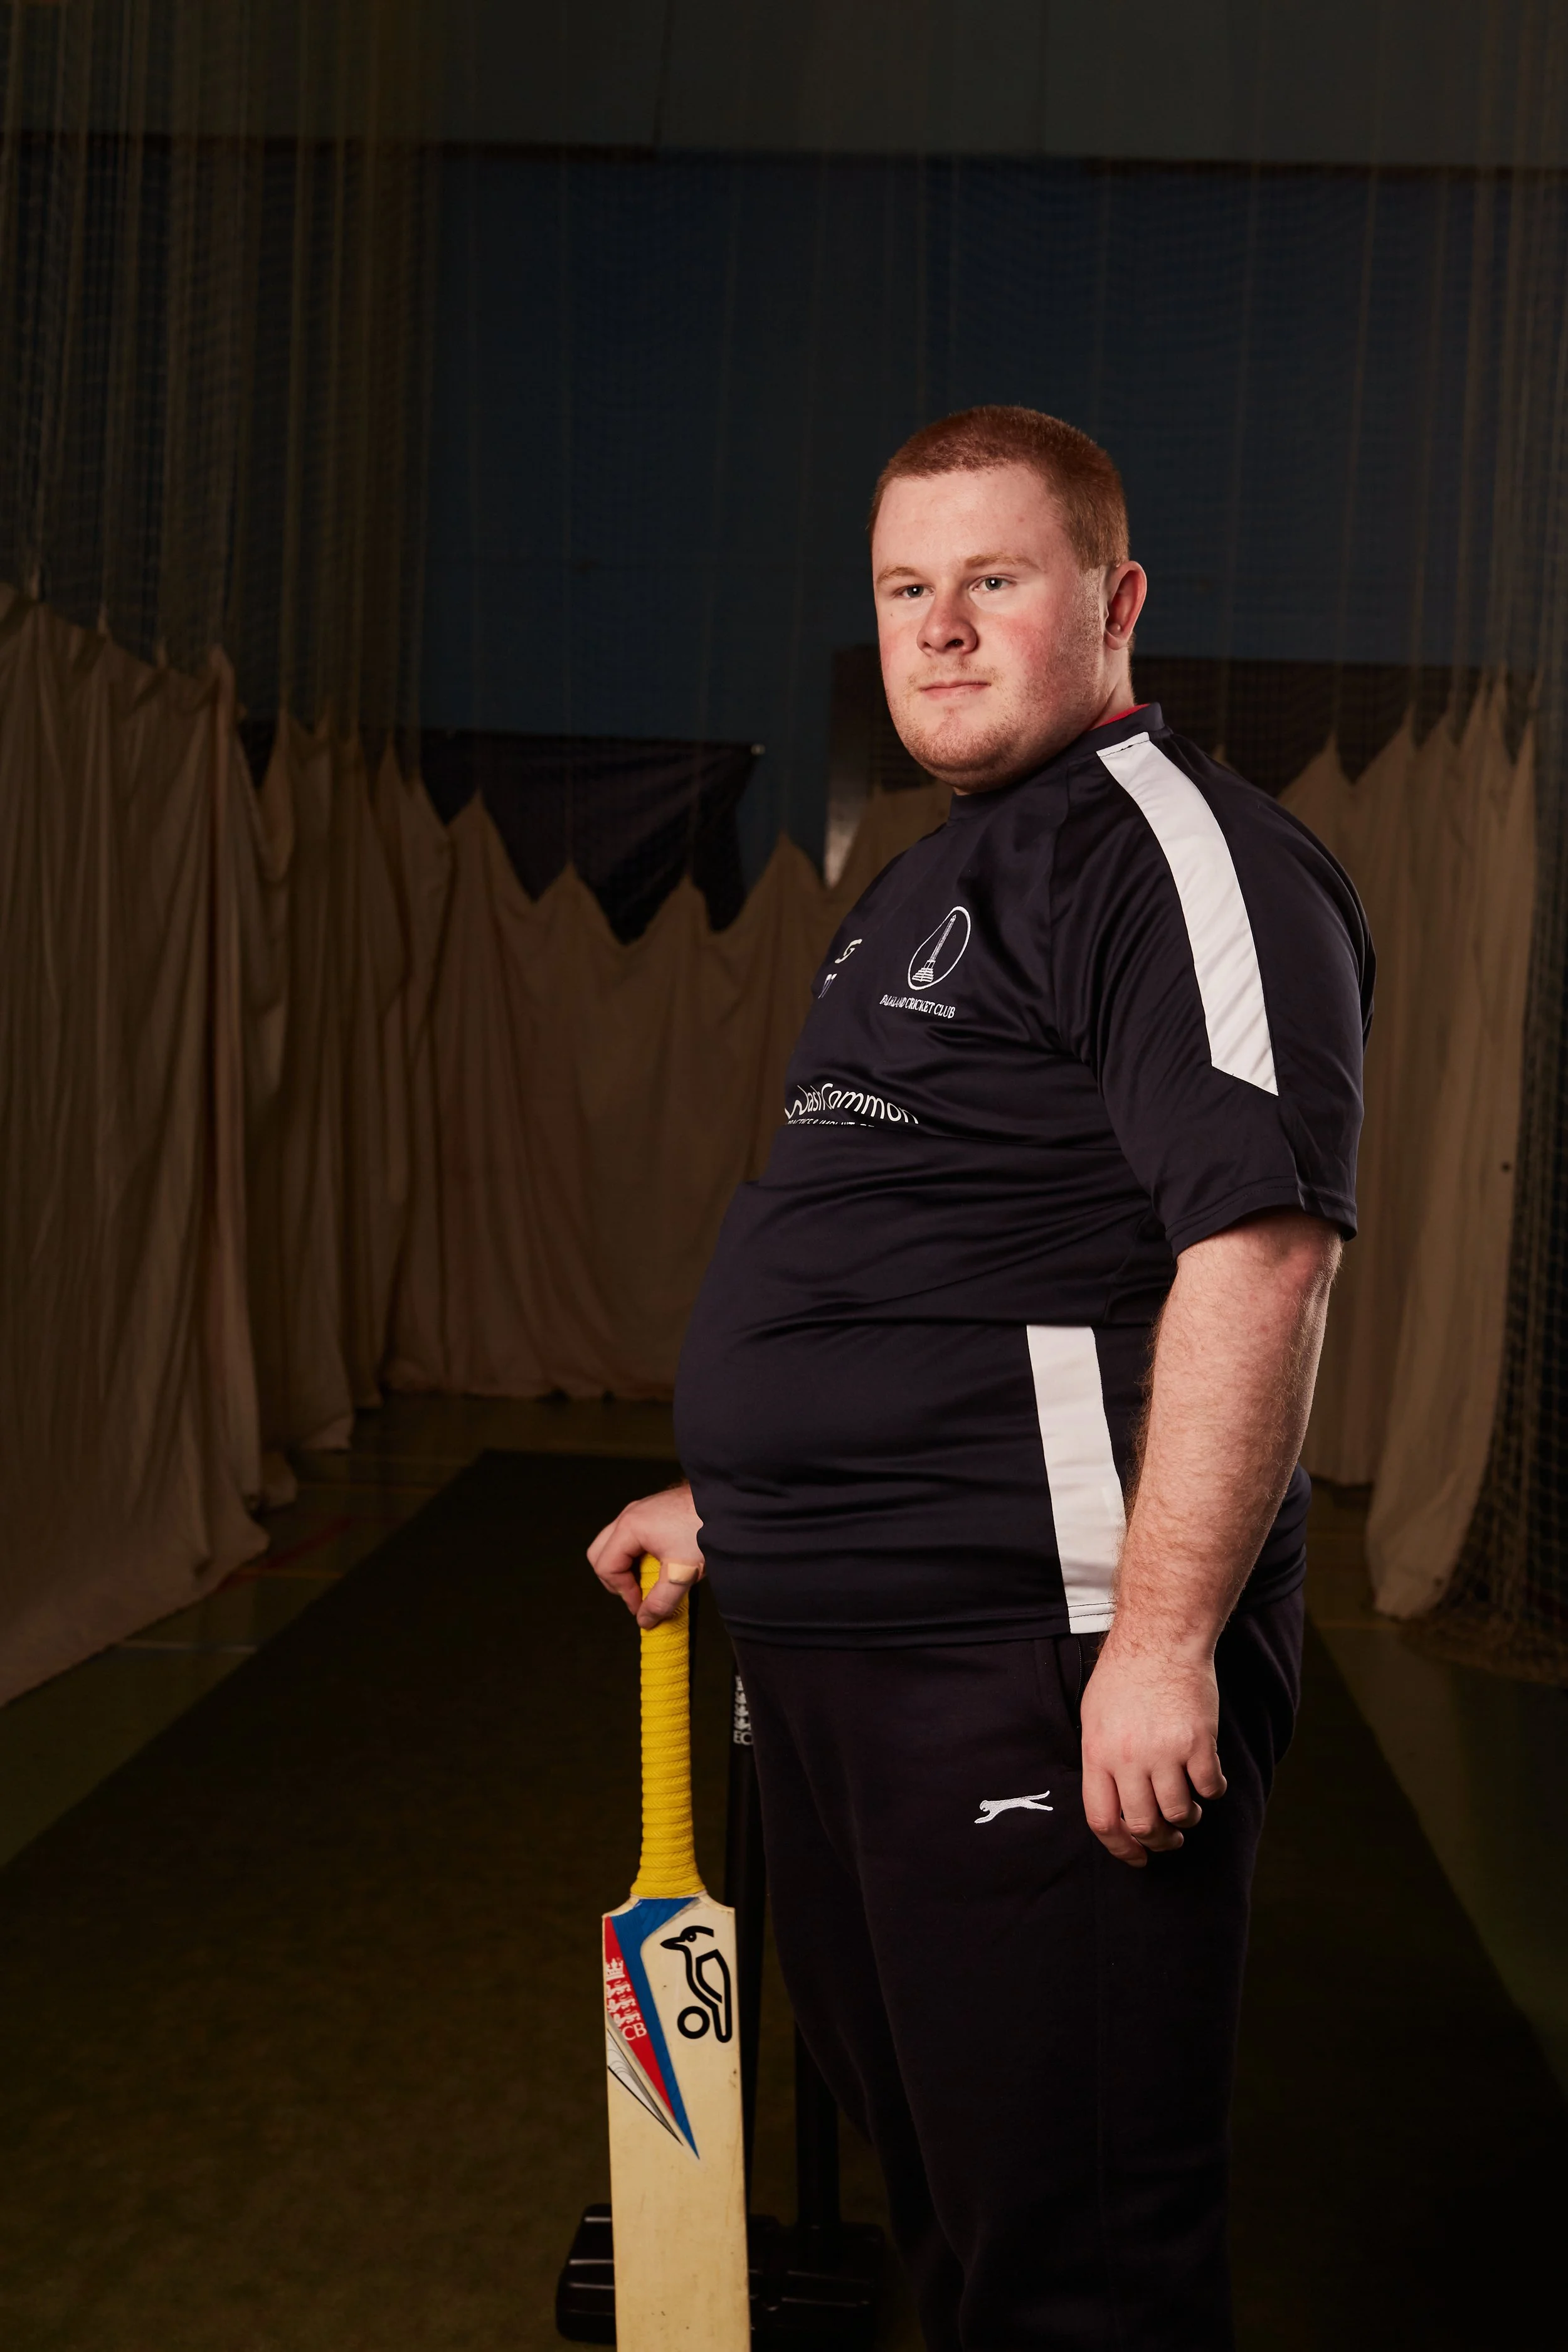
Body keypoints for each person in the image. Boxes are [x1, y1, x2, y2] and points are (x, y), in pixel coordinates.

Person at [589, 405, 1372, 2350]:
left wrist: (1164, 1638)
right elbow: (925, 1259)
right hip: (838, 1642)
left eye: (991, 582)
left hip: (1027, 1660)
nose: (936, 629)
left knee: (1071, 2252)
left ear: (1111, 605)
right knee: (940, 2190)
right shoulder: (923, 884)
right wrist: (744, 1498)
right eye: (902, 590)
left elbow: (1258, 1254)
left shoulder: (1181, 860)